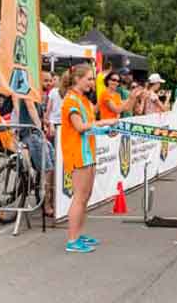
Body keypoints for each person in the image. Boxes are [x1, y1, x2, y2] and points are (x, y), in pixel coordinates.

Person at [60, 64, 117, 253]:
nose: (93, 82)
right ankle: (72, 239)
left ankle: (78, 233)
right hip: (78, 153)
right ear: (77, 79)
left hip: (88, 152)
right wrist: (105, 122)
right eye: (89, 79)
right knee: (79, 197)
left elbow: (89, 126)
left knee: (86, 196)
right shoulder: (71, 101)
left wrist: (104, 130)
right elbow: (80, 126)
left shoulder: (83, 100)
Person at [14, 96, 56, 217]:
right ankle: (46, 204)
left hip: (35, 134)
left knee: (52, 164)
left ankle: (48, 199)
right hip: (32, 134)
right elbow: (30, 108)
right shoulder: (28, 93)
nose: (47, 83)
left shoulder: (37, 95)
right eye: (45, 80)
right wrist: (40, 128)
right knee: (47, 168)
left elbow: (40, 116)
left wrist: (49, 124)